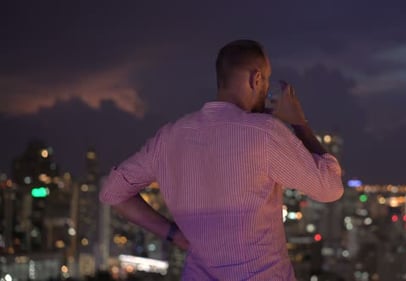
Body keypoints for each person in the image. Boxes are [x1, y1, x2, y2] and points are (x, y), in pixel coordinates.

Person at [99, 39, 344, 280]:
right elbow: (330, 189)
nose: (266, 89)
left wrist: (175, 236)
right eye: (266, 81)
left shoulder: (170, 136)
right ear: (255, 79)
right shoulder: (264, 132)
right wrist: (299, 123)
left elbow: (113, 192)